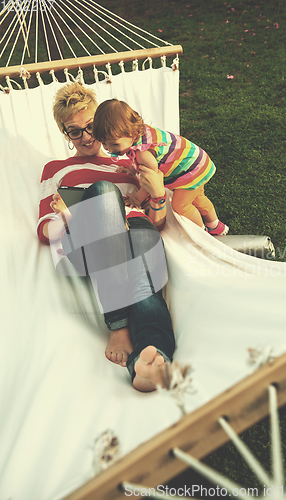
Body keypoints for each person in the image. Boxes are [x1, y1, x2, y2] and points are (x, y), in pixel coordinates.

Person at [37, 82, 175, 392]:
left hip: (134, 232)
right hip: (86, 242)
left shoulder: (130, 161)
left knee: (141, 257)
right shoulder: (56, 169)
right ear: (64, 132)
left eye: (90, 127)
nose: (85, 137)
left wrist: (156, 195)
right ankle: (119, 322)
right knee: (103, 192)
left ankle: (149, 357)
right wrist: (75, 217)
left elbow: (159, 224)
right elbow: (45, 229)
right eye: (74, 131)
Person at [93, 98, 229, 236]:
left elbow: (152, 181)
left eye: (114, 144)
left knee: (180, 206)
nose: (109, 149)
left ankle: (203, 233)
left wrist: (137, 199)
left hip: (191, 170)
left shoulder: (143, 155)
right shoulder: (136, 133)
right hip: (198, 160)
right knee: (198, 197)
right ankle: (216, 226)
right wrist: (131, 170)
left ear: (132, 133)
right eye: (104, 143)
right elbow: (134, 158)